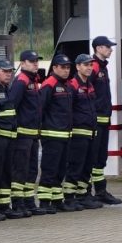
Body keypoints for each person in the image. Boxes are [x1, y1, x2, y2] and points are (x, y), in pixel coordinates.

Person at [37, 53, 75, 214]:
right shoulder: (49, 84)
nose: (66, 70)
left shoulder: (66, 85)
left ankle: (57, 200)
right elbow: (41, 108)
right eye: (63, 67)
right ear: (54, 68)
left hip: (64, 134)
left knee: (61, 170)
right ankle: (45, 201)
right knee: (49, 169)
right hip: (52, 134)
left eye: (68, 67)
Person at [8, 51, 43, 217]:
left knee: (31, 170)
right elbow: (12, 105)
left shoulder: (33, 81)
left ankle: (29, 201)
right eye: (31, 61)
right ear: (22, 63)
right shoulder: (21, 81)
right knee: (20, 171)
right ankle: (17, 203)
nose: (35, 64)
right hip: (22, 134)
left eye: (36, 61)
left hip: (33, 134)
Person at [89, 35, 122, 205]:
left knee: (100, 158)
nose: (110, 49)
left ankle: (100, 191)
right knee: (93, 157)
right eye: (108, 47)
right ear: (98, 48)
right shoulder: (93, 67)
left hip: (103, 119)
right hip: (95, 120)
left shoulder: (103, 67)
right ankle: (87, 193)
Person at [0, 58, 21, 219]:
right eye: (5, 71)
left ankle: (4, 205)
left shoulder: (6, 88)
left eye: (10, 71)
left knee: (7, 173)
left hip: (9, 138)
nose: (9, 74)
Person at [67, 54, 102, 210]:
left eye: (90, 65)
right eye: (85, 65)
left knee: (87, 167)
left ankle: (82, 195)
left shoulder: (89, 84)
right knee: (76, 166)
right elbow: (68, 108)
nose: (89, 68)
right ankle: (69, 197)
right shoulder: (73, 84)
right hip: (78, 132)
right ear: (78, 66)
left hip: (90, 132)